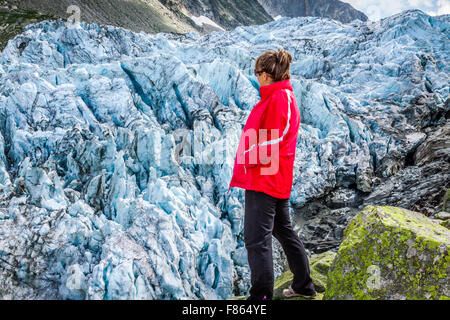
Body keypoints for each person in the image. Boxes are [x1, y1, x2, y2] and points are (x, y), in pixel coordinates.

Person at [227, 49, 317, 300]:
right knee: (283, 231)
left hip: (266, 178)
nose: (256, 78)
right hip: (268, 175)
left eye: (257, 74)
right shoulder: (275, 96)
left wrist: (249, 155)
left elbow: (279, 135)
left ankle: (261, 297)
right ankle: (303, 286)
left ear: (266, 75)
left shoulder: (282, 97)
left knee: (256, 240)